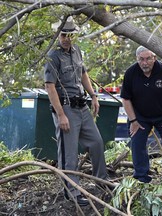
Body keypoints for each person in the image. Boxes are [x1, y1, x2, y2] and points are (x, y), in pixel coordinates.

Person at [44, 16, 108, 206]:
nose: (66, 38)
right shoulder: (52, 56)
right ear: (58, 35)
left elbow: (83, 74)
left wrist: (94, 95)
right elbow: (50, 87)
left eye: (70, 35)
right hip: (66, 108)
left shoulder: (77, 51)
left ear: (74, 36)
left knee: (96, 143)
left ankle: (102, 183)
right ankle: (71, 192)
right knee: (69, 153)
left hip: (82, 106)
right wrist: (61, 114)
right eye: (63, 35)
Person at [120, 46, 162, 183]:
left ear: (154, 58)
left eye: (148, 59)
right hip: (140, 116)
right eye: (141, 59)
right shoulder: (131, 73)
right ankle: (141, 176)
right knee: (137, 141)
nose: (145, 63)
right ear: (137, 59)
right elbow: (126, 98)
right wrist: (133, 121)